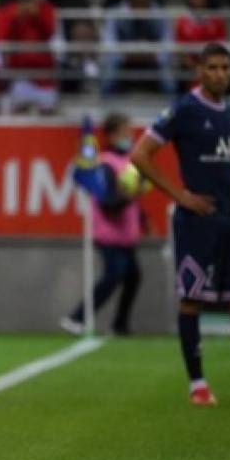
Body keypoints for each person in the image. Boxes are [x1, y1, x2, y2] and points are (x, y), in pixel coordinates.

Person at [131, 42, 230, 406]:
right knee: (192, 301)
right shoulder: (184, 110)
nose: (221, 74)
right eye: (213, 67)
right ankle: (197, 385)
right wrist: (180, 196)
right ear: (200, 71)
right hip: (196, 224)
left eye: (226, 67)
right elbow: (140, 154)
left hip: (229, 222)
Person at [61, 113, 145, 336]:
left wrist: (142, 219)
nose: (130, 136)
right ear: (112, 135)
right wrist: (130, 194)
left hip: (127, 233)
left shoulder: (131, 161)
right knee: (115, 274)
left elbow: (133, 198)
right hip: (108, 233)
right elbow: (109, 203)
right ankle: (77, 317)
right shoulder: (105, 163)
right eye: (125, 132)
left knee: (133, 277)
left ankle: (120, 324)